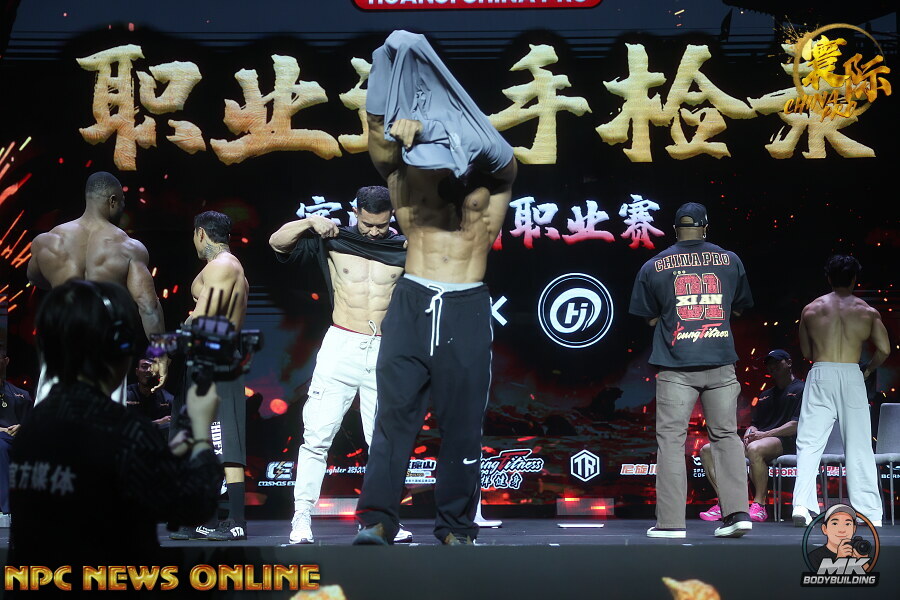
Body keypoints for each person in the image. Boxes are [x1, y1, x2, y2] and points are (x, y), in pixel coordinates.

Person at [353, 30, 517, 546]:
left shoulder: (489, 181)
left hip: (466, 306)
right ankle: (378, 519)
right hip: (413, 301)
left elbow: (499, 152)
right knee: (393, 419)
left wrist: (439, 129)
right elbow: (375, 129)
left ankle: (456, 526)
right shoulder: (401, 172)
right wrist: (389, 61)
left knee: (462, 426)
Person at [7, 280, 222, 572]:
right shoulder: (125, 432)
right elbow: (194, 506)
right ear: (118, 347)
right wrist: (200, 432)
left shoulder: (31, 429)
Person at [269, 185, 411, 544]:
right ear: (356, 213)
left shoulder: (403, 247)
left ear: (392, 216)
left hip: (385, 349)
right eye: (368, 224)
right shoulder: (334, 239)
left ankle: (380, 520)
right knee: (317, 437)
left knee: (383, 443)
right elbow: (276, 243)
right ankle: (301, 518)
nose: (374, 232)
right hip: (341, 345)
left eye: (382, 225)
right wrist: (309, 222)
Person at [629, 202, 754, 539]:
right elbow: (738, 309)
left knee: (671, 441)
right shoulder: (730, 260)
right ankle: (738, 514)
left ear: (675, 229)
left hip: (675, 366)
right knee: (726, 436)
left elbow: (648, 318)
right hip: (720, 362)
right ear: (705, 227)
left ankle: (671, 523)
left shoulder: (653, 265)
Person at [26, 172, 168, 404]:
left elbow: (34, 278)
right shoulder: (128, 247)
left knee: (54, 423)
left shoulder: (48, 241)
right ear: (112, 200)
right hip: (105, 350)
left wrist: (60, 281)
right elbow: (148, 306)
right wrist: (160, 353)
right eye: (122, 202)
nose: (122, 208)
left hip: (61, 346)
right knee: (104, 424)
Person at [169, 211, 250, 542]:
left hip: (216, 361)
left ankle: (236, 521)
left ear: (201, 233)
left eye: (193, 236)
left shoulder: (223, 266)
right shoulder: (224, 267)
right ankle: (204, 518)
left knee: (224, 441)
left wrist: (164, 348)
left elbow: (201, 318)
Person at [792, 255, 889, 527]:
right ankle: (869, 513)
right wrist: (868, 369)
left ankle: (802, 506)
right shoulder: (867, 311)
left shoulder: (811, 310)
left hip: (821, 372)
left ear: (828, 278)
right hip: (851, 375)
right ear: (855, 279)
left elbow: (807, 351)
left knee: (809, 443)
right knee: (859, 445)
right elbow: (884, 349)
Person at [699, 349, 803, 522]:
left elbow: (796, 425)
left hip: (787, 441)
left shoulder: (802, 389)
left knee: (755, 448)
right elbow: (755, 423)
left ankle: (760, 505)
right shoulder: (765, 395)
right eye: (769, 364)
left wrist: (764, 435)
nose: (773, 366)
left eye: (777, 362)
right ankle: (726, 503)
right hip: (761, 439)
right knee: (707, 450)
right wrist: (750, 432)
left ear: (789, 363)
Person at [0, 343, 33, 527]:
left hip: (18, 440)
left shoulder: (21, 394)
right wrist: (3, 430)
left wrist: (22, 427)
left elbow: (31, 423)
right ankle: (7, 510)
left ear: (6, 361)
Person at [807, 504, 870, 572]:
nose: (842, 530)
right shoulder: (814, 557)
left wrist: (863, 562)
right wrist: (839, 559)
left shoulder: (859, 551)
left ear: (854, 529)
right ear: (825, 529)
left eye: (847, 524)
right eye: (835, 524)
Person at [125, 358, 173, 433]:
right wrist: (157, 422)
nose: (149, 370)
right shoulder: (125, 396)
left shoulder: (168, 399)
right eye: (144, 366)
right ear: (137, 371)